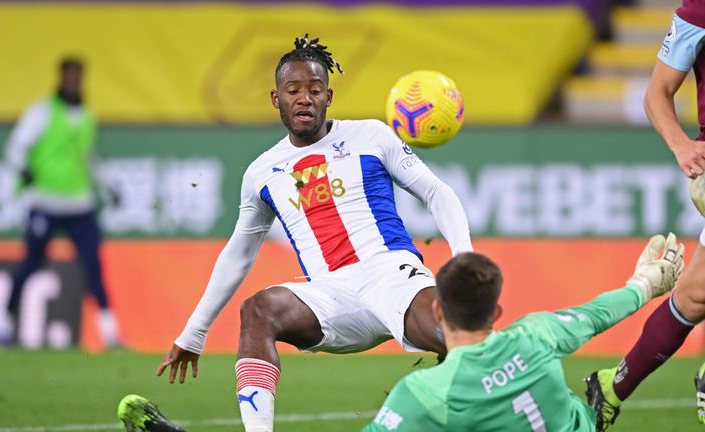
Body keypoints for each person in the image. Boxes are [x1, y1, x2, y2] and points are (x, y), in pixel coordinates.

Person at [154, 34, 473, 432]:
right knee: (258, 310)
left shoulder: (371, 136)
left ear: (329, 96)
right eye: (293, 90)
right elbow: (239, 252)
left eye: (315, 90)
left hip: (391, 275)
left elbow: (437, 192)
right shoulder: (262, 172)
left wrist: (462, 260)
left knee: (460, 337)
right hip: (331, 295)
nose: (304, 98)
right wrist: (195, 332)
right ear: (276, 99)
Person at [364, 234, 684, 432]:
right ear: (496, 313)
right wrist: (645, 284)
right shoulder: (536, 334)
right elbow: (595, 315)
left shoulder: (425, 391)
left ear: (438, 311)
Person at [585, 3, 705, 429]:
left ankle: (612, 386)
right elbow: (657, 93)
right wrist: (682, 145)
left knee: (693, 297)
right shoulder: (698, 12)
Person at [0, 57, 120, 348]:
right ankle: (2, 323)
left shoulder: (87, 113)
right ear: (60, 78)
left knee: (93, 266)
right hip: (46, 200)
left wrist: (108, 186)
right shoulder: (42, 111)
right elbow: (15, 146)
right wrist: (22, 169)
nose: (74, 82)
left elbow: (86, 156)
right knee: (31, 263)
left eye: (79, 77)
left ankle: (110, 334)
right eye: (70, 76)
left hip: (79, 203)